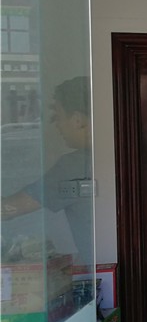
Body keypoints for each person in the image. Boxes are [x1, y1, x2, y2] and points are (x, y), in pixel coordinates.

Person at [2, 76, 94, 266]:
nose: (57, 125)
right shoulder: (116, 154)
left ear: (77, 120)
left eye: (57, 116)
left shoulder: (73, 166)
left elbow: (10, 208)